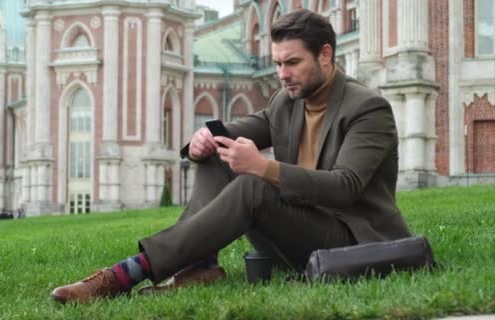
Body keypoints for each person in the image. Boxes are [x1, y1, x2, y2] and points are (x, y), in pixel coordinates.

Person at [50, 9, 412, 304]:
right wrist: (203, 139)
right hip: (296, 238)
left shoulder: (367, 108)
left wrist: (264, 167)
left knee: (254, 185)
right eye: (277, 63)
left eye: (292, 63)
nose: (282, 74)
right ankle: (200, 266)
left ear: (326, 55)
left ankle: (126, 273)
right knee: (216, 151)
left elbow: (345, 188)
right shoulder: (287, 101)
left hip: (352, 243)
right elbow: (236, 130)